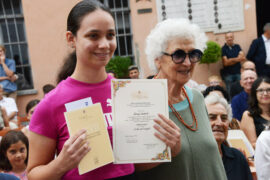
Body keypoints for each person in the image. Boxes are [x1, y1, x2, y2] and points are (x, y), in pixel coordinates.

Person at [27, 1, 180, 179]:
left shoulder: (126, 93)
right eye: (93, 36)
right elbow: (33, 174)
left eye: (110, 35)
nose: (104, 44)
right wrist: (61, 163)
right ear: (71, 39)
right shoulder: (51, 103)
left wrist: (170, 148)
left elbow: (132, 165)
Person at [135, 18, 227, 180]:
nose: (187, 62)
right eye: (178, 55)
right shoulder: (141, 105)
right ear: (157, 59)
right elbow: (132, 168)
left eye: (193, 54)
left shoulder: (198, 98)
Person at [205, 94, 252, 180]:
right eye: (212, 117)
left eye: (224, 118)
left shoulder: (238, 158)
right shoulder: (191, 160)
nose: (219, 123)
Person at [241, 77, 270, 148]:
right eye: (260, 90)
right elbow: (252, 144)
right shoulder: (248, 115)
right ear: (254, 93)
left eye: (269, 90)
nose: (265, 93)